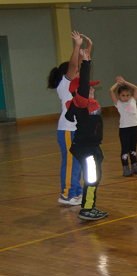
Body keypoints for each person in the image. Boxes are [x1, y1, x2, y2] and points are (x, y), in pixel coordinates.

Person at [64, 35, 108, 222]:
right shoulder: (79, 102)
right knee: (91, 179)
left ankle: (91, 206)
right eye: (88, 88)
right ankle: (87, 209)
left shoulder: (88, 103)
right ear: (79, 92)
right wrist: (86, 61)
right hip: (86, 149)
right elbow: (82, 83)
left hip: (92, 147)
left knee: (95, 178)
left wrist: (86, 53)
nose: (92, 90)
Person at [48, 31, 83, 206]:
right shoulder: (65, 83)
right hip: (67, 129)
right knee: (70, 161)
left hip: (76, 128)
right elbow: (73, 63)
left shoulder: (74, 84)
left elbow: (81, 64)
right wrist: (76, 45)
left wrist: (87, 48)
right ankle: (67, 194)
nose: (77, 72)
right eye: (75, 70)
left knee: (77, 161)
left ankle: (76, 192)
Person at [110, 76, 137, 177]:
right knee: (125, 149)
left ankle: (135, 166)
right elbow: (111, 90)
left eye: (128, 95)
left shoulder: (133, 100)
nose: (126, 97)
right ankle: (125, 168)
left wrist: (125, 82)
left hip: (134, 128)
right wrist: (118, 83)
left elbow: (135, 88)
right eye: (123, 96)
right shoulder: (118, 104)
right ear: (119, 96)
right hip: (124, 130)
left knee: (133, 148)